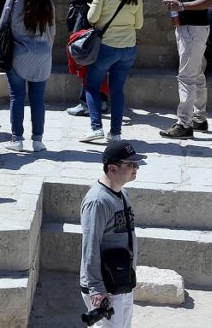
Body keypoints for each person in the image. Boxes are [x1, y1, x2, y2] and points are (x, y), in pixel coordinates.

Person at [80, 139, 145, 328]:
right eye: (130, 164)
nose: (136, 168)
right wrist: (96, 288)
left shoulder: (122, 193)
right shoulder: (98, 201)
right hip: (104, 286)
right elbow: (90, 247)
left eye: (136, 163)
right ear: (113, 169)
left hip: (121, 280)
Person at [79, 0, 143, 143]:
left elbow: (92, 18)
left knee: (91, 85)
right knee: (117, 90)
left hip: (107, 46)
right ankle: (115, 133)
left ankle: (96, 127)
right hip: (128, 49)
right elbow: (138, 24)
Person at [160, 0, 212, 140]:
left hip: (195, 29)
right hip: (185, 27)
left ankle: (184, 123)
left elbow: (209, 0)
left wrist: (181, 5)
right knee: (196, 74)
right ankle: (199, 118)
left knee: (185, 77)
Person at [0, 0, 56, 152]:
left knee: (17, 96)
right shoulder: (48, 1)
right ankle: (38, 140)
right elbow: (52, 31)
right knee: (38, 99)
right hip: (42, 56)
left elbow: (1, 27)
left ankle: (17, 139)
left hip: (18, 54)